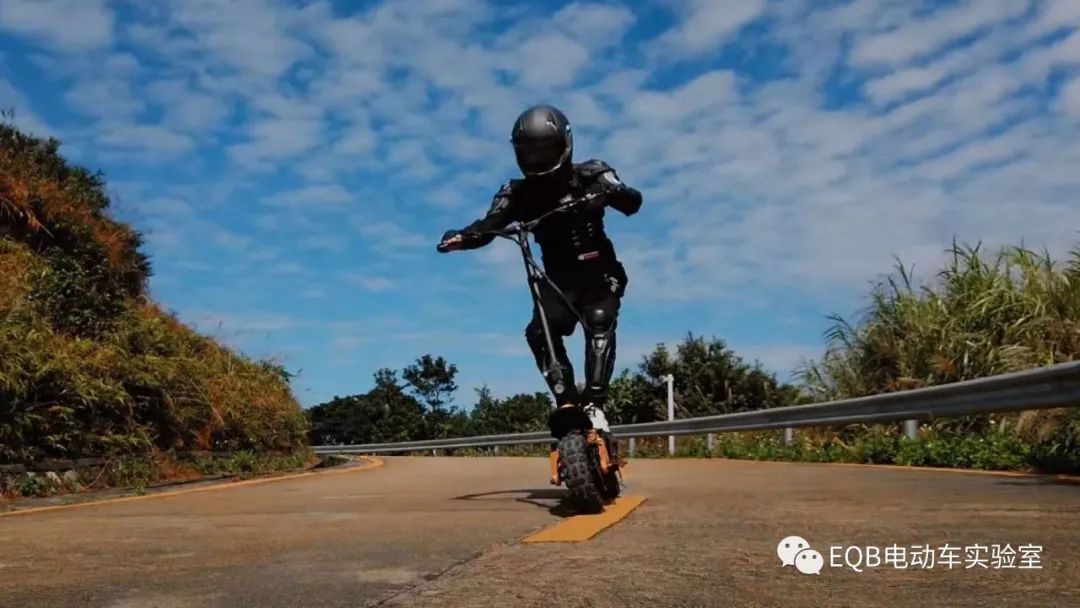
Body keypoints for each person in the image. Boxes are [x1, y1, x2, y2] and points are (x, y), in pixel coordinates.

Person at [437, 104, 642, 453]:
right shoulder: (516, 192)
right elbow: (490, 225)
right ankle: (568, 403)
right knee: (538, 332)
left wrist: (612, 194)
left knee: (599, 320)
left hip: (598, 271)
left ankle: (595, 402)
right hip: (558, 280)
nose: (536, 159)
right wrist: (463, 237)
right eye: (528, 152)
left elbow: (632, 200)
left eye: (544, 150)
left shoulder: (592, 173)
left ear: (564, 144)